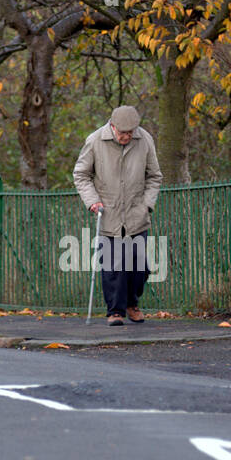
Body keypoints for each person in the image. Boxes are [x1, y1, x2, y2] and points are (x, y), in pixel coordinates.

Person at [72, 105, 163, 326]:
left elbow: (154, 176)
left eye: (130, 132)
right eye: (122, 132)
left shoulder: (145, 140)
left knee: (139, 266)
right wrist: (93, 201)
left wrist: (147, 205)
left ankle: (132, 302)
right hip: (109, 213)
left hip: (136, 214)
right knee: (114, 267)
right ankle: (115, 311)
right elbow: (81, 175)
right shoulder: (95, 141)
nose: (126, 136)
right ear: (112, 126)